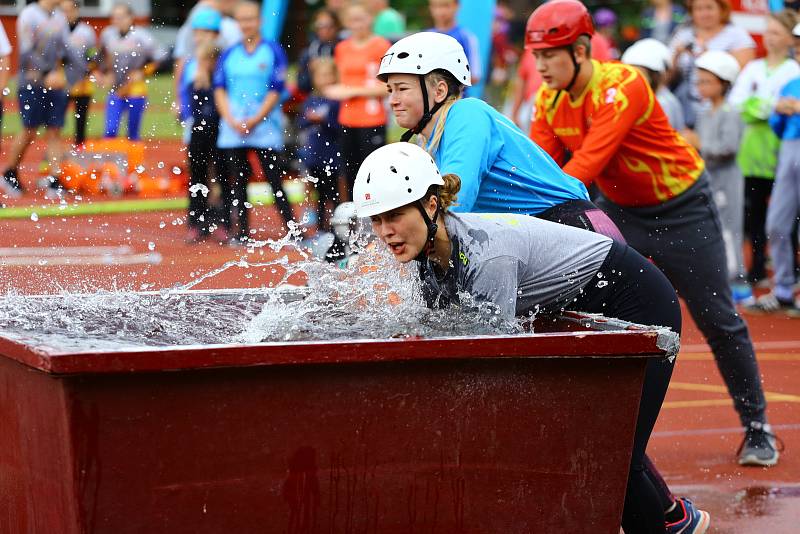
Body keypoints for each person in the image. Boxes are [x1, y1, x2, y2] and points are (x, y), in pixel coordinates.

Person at [354, 142, 704, 534]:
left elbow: (492, 363)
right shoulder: (428, 255)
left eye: (395, 216)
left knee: (616, 458)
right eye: (376, 220)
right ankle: (674, 521)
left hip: (640, 302)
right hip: (590, 304)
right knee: (585, 447)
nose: (385, 232)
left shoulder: (487, 258)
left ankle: (671, 523)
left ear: (431, 206)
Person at [527, 0, 780, 473]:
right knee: (590, 312)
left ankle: (758, 427)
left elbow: (581, 172)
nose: (540, 66)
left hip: (682, 209)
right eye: (535, 56)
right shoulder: (549, 100)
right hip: (621, 212)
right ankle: (605, 433)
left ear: (582, 49)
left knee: (718, 318)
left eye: (550, 55)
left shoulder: (621, 85)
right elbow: (540, 173)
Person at [378, 31, 624, 241]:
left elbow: (454, 206)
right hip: (545, 233)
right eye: (390, 90)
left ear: (439, 91)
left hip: (574, 226)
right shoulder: (431, 142)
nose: (393, 101)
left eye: (402, 88)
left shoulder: (466, 114)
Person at [728, 10, 800, 288]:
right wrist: (769, 106)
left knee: (790, 219)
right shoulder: (755, 67)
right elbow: (737, 103)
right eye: (767, 32)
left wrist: (759, 105)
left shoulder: (793, 71)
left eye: (776, 33)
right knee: (757, 216)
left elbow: (752, 104)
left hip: (781, 150)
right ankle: (764, 272)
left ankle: (789, 275)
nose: (770, 38)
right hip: (754, 153)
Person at [214, 0, 294, 244]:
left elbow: (276, 88)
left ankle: (293, 230)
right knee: (237, 181)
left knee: (274, 180)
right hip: (233, 127)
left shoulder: (272, 50)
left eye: (251, 18)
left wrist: (256, 119)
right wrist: (230, 119)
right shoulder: (229, 53)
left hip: (265, 127)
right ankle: (241, 232)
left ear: (259, 21)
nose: (246, 24)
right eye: (242, 19)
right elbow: (219, 88)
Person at [682, 51, 749, 303]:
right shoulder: (703, 112)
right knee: (712, 227)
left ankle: (737, 279)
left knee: (730, 228)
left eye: (707, 81)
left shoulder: (731, 112)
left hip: (728, 179)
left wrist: (699, 143)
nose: (701, 86)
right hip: (709, 178)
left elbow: (728, 148)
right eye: (699, 81)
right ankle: (719, 276)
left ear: (724, 83)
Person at [0, 0, 69, 199]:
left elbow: (65, 49)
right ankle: (10, 171)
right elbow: (27, 52)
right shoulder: (29, 15)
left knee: (55, 129)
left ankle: (55, 178)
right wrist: (46, 73)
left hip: (55, 83)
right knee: (29, 129)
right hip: (31, 82)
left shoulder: (59, 16)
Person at [750, 52, 800, 314]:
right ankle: (783, 291)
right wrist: (778, 111)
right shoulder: (791, 83)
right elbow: (777, 124)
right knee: (777, 224)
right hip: (789, 151)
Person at [327, 1, 391, 200]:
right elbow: (337, 82)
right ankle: (352, 218)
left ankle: (378, 217)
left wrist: (353, 91)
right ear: (346, 22)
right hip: (347, 118)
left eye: (361, 19)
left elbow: (388, 87)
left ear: (370, 19)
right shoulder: (342, 48)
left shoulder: (381, 45)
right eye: (353, 20)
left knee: (374, 172)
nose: (358, 24)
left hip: (373, 118)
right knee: (349, 172)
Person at [669, 0, 756, 128]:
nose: (704, 13)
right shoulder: (683, 34)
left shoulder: (737, 35)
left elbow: (744, 71)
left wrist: (708, 57)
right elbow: (666, 75)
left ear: (721, 9)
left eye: (709, 8)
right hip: (687, 108)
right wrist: (677, 55)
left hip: (722, 109)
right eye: (699, 9)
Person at [98, 3, 168, 141]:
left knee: (133, 132)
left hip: (135, 89)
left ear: (130, 18)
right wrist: (104, 73)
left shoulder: (142, 37)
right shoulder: (107, 35)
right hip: (115, 89)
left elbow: (162, 58)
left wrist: (142, 72)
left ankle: (134, 161)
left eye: (121, 17)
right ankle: (110, 162)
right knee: (110, 131)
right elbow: (100, 57)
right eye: (114, 17)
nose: (117, 21)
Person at [184, 39, 223, 243]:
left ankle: (219, 221)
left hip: (219, 135)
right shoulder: (197, 83)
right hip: (199, 135)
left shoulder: (222, 82)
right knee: (197, 179)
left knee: (219, 179)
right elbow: (192, 110)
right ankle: (196, 221)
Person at [298, 58, 342, 233]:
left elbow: (339, 126)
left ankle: (337, 228)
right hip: (314, 155)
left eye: (328, 75)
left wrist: (324, 120)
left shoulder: (337, 100)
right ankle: (321, 228)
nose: (324, 79)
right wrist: (310, 119)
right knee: (319, 194)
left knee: (335, 194)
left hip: (332, 154)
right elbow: (301, 122)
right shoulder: (312, 99)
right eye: (321, 76)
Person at [622, 39, 685, 139]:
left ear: (656, 75)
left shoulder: (663, 103)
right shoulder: (633, 100)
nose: (633, 80)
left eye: (641, 74)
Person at [61, 0, 97, 147]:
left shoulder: (86, 32)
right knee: (55, 122)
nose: (66, 14)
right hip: (61, 83)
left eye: (68, 10)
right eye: (62, 11)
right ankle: (52, 154)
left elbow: (93, 56)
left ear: (76, 10)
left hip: (82, 82)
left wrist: (87, 73)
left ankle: (79, 149)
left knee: (81, 120)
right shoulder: (57, 29)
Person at [428, 0, 481, 88]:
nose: (441, 11)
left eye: (446, 6)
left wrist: (448, 88)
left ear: (457, 6)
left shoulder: (466, 37)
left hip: (457, 99)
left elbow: (475, 76)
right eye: (436, 6)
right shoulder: (425, 37)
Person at [297, 8, 341, 95]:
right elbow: (302, 85)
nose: (325, 30)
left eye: (329, 25)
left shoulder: (344, 48)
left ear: (337, 26)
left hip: (340, 96)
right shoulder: (308, 52)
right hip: (316, 98)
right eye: (320, 25)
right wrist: (311, 71)